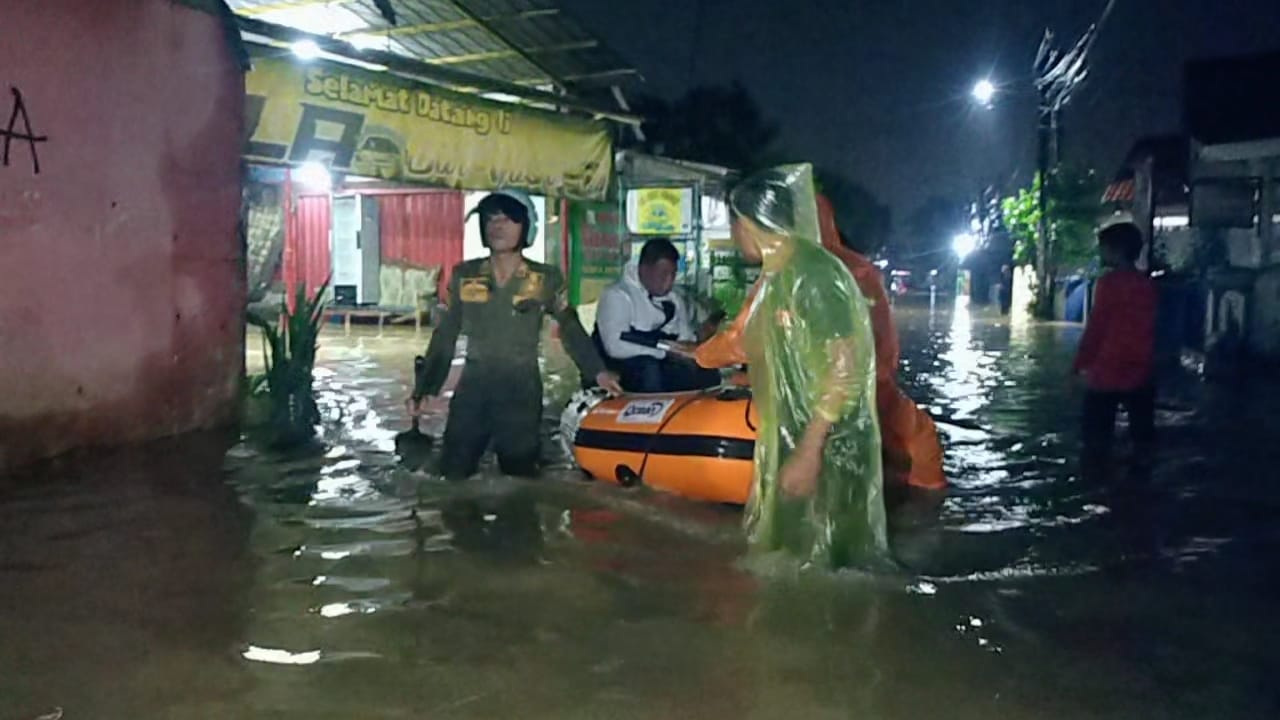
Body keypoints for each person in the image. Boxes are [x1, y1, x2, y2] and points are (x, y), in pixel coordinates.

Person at [715, 164, 888, 569]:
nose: (733, 234)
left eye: (735, 224)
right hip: (797, 438)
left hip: (826, 445)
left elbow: (845, 365)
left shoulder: (814, 276)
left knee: (826, 566)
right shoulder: (779, 277)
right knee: (793, 559)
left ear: (752, 223)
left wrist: (810, 448)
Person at [408, 190, 622, 480]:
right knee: (453, 475)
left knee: (520, 478)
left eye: (508, 220)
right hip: (472, 390)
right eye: (491, 219)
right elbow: (446, 334)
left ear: (525, 228)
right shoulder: (465, 275)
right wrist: (425, 389)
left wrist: (597, 373)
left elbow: (570, 327)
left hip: (520, 390)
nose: (498, 226)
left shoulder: (545, 279)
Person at [1072, 221, 1157, 463]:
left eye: (1104, 248)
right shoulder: (1147, 285)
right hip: (1140, 369)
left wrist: (1079, 365)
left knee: (1095, 439)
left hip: (1108, 370)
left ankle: (1098, 486)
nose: (1101, 253)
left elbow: (1096, 329)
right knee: (1142, 439)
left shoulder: (1108, 285)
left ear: (1116, 250)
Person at [594, 237, 720, 392]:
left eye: (672, 275)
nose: (668, 281)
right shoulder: (617, 295)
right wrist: (664, 353)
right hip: (626, 371)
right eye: (663, 274)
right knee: (649, 369)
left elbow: (684, 339)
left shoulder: (675, 300)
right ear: (644, 269)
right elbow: (614, 346)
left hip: (664, 364)